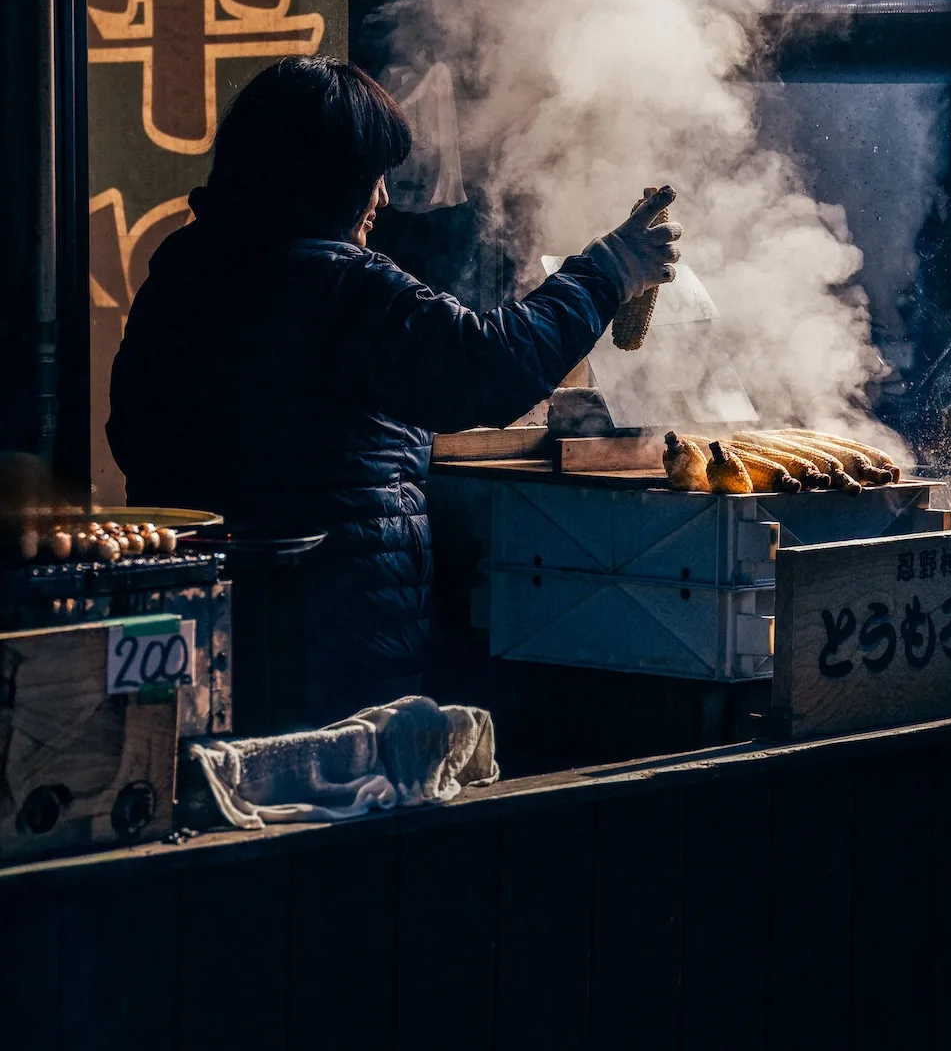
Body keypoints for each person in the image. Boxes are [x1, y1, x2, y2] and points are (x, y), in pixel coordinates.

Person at [108, 56, 681, 729]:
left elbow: (132, 431)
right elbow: (486, 367)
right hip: (324, 649)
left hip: (194, 632)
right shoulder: (336, 286)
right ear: (327, 178)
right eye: (370, 176)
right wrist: (609, 270)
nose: (382, 198)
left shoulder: (178, 276)